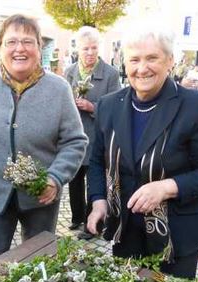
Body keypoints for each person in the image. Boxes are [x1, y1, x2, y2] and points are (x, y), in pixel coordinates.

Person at [86, 23, 198, 279]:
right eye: (134, 59)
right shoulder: (108, 106)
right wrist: (98, 201)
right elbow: (96, 161)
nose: (142, 68)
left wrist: (166, 187)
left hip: (176, 234)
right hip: (125, 230)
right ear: (123, 63)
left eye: (152, 58)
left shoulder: (194, 106)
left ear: (170, 60)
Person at [0, 14, 87, 265]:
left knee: (38, 263)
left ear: (39, 47)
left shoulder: (58, 89)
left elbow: (75, 142)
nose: (19, 49)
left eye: (27, 41)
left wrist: (55, 178)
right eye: (11, 42)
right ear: (0, 47)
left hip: (40, 195)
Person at [64, 26, 120, 240]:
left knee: (94, 181)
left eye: (94, 48)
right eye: (85, 48)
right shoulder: (70, 72)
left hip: (97, 138)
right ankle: (77, 217)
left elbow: (115, 109)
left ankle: (92, 224)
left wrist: (92, 107)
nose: (89, 52)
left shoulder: (110, 74)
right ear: (78, 49)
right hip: (72, 137)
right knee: (74, 181)